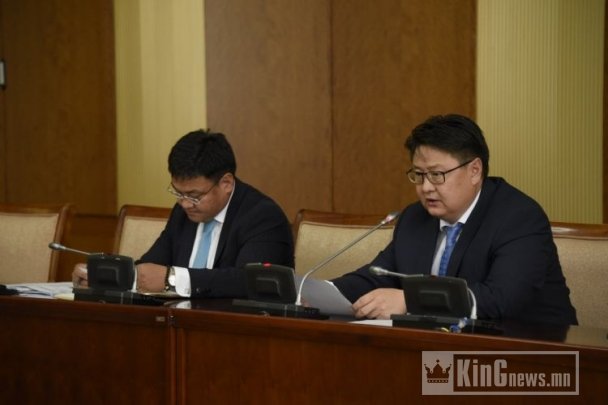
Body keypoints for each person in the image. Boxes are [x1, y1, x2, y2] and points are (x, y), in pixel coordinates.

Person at [332, 114, 577, 325]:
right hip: (442, 349)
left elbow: (500, 298)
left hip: (532, 350)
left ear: (474, 171)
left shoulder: (518, 217)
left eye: (437, 174)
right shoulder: (415, 217)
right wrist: (323, 293)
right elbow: (378, 277)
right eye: (419, 174)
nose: (426, 187)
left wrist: (412, 301)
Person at [73, 130, 294, 297]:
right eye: (178, 193)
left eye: (195, 195)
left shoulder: (262, 216)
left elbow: (249, 282)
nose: (185, 203)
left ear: (226, 183)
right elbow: (151, 266)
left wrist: (172, 279)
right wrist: (103, 277)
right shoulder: (183, 213)